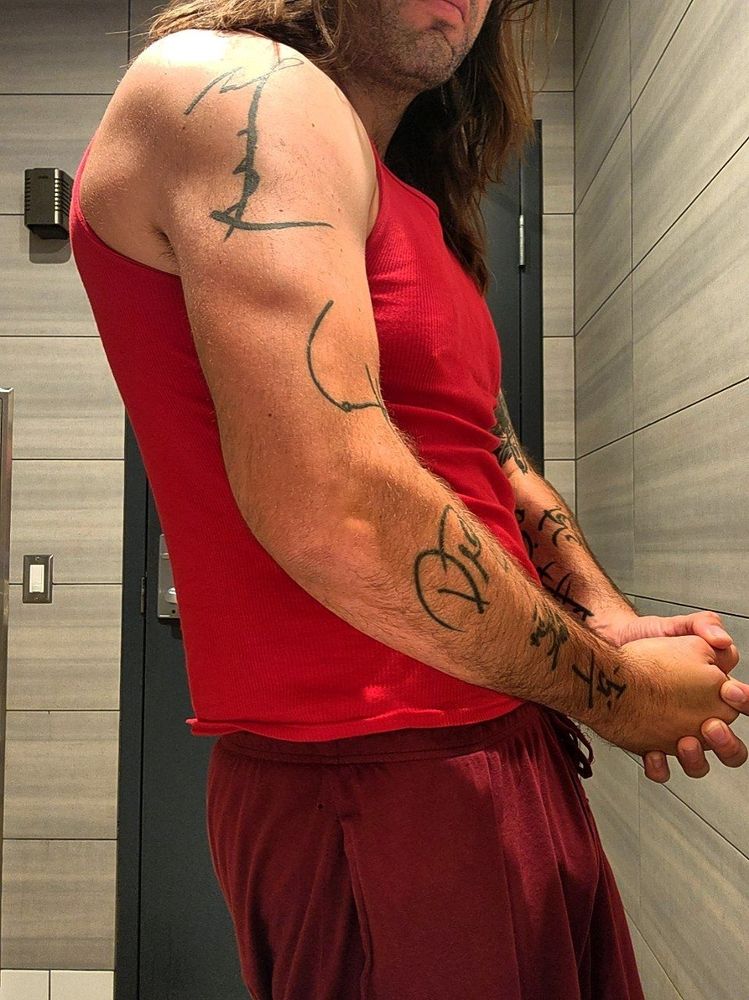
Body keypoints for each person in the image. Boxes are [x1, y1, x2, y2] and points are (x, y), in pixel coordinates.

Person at [69, 1, 748, 996]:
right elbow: (336, 505)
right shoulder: (231, 87)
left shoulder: (411, 205)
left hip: (506, 745)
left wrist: (607, 618)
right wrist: (622, 692)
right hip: (377, 782)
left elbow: (493, 457)